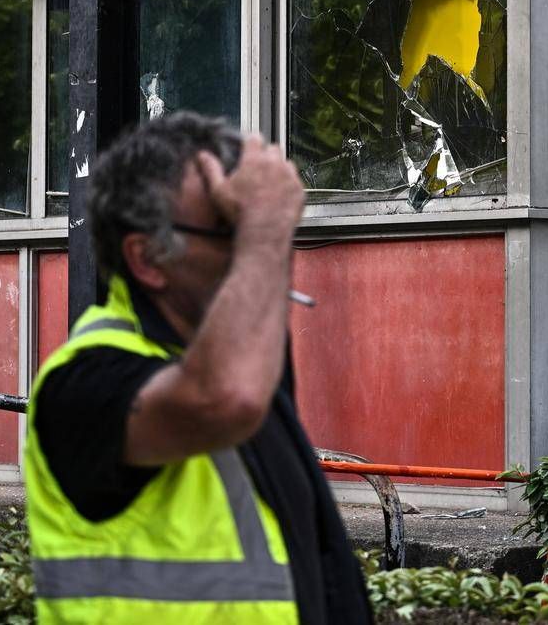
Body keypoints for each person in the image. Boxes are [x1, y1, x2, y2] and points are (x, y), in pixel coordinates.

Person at [24, 112, 371, 624]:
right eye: (230, 226)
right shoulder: (82, 385)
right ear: (146, 258)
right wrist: (264, 233)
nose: (256, 244)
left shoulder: (243, 365)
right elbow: (222, 399)